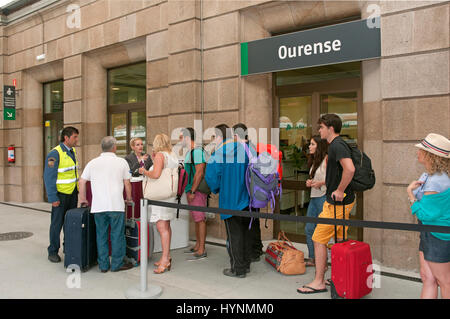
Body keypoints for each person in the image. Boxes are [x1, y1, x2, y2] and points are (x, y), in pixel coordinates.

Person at [297, 114, 355, 294]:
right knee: (338, 240)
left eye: (321, 127)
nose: (319, 130)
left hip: (337, 203)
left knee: (318, 238)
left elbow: (350, 168)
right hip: (342, 202)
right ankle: (337, 276)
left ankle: (318, 281)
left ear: (330, 128)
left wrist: (339, 190)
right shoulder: (337, 145)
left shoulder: (337, 145)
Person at [205, 124, 255, 278]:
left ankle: (237, 269)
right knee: (246, 233)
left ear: (218, 137)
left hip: (230, 200)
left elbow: (211, 177)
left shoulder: (219, 152)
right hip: (248, 199)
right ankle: (246, 264)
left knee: (234, 236)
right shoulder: (246, 149)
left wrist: (216, 189)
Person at [79, 136, 134, 272]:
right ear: (114, 147)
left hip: (98, 206)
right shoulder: (121, 162)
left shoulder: (92, 163)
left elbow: (82, 181)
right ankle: (117, 264)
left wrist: (83, 198)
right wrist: (129, 198)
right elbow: (127, 182)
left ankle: (103, 265)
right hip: (116, 205)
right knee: (117, 235)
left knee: (101, 235)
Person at [407, 133, 450, 299]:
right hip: (430, 233)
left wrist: (410, 194)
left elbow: (425, 214)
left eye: (421, 150)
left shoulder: (436, 180)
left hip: (437, 235)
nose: (418, 152)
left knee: (444, 280)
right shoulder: (430, 176)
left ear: (430, 155)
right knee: (428, 277)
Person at [139, 134, 178, 274]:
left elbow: (155, 175)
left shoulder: (160, 155)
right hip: (168, 194)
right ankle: (166, 256)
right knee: (166, 226)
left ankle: (165, 260)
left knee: (161, 227)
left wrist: (144, 171)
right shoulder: (172, 154)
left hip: (160, 196)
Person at [44, 126, 80, 263]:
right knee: (56, 224)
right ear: (66, 138)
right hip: (60, 195)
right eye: (74, 137)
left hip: (72, 193)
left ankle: (68, 249)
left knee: (70, 224)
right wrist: (53, 197)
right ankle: (52, 251)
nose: (77, 140)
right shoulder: (55, 154)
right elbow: (49, 177)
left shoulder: (72, 151)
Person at [233, 123, 264, 262]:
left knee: (247, 223)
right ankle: (256, 249)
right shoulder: (251, 147)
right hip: (255, 190)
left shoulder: (241, 149)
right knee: (254, 220)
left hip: (246, 191)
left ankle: (251, 252)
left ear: (235, 135)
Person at [182, 127, 208, 260]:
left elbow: (199, 172)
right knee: (197, 219)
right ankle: (198, 245)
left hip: (196, 191)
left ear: (187, 137)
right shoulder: (192, 152)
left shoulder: (197, 152)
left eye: (182, 137)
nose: (180, 140)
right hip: (191, 190)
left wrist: (192, 190)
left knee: (200, 219)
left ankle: (202, 249)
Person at [304, 135, 328, 267]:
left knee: (322, 232)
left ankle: (322, 261)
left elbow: (334, 179)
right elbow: (316, 177)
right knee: (309, 229)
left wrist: (321, 183)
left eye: (312, 144)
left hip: (323, 198)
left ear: (319, 146)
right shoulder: (314, 160)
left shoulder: (327, 159)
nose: (309, 146)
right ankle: (313, 258)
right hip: (314, 198)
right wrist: (310, 182)